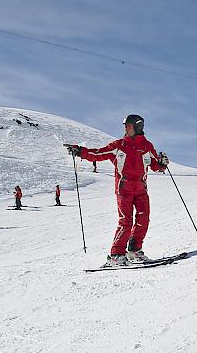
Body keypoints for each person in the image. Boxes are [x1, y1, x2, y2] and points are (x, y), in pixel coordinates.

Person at [65, 114, 169, 265]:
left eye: (129, 126)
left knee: (143, 219)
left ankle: (134, 250)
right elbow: (98, 154)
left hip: (141, 189)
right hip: (124, 189)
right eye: (125, 126)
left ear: (138, 127)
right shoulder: (119, 145)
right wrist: (81, 152)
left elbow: (155, 165)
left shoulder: (147, 146)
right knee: (126, 221)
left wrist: (162, 163)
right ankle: (116, 254)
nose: (126, 128)